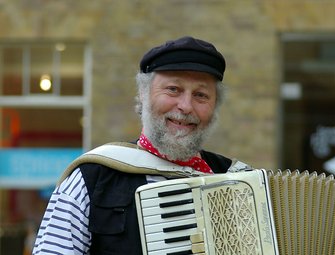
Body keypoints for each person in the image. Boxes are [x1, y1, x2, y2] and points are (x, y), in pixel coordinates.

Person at [32, 36, 247, 254]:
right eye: (173, 89)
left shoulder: (240, 183)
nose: (185, 106)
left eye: (201, 95)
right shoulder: (88, 181)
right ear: (143, 94)